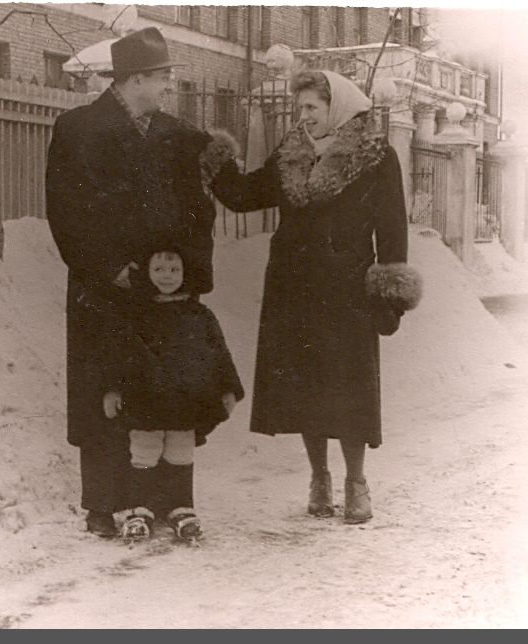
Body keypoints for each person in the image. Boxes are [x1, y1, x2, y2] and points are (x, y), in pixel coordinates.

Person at [45, 27, 237, 538]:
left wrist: (183, 273)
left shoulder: (177, 134)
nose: (167, 87)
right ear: (133, 80)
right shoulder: (77, 128)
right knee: (102, 391)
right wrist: (107, 268)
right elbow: (64, 212)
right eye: (161, 78)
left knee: (157, 392)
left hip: (156, 293)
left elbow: (206, 200)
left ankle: (159, 502)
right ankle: (104, 506)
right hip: (100, 286)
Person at [211, 70, 422, 524]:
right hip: (294, 289)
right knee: (307, 387)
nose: (303, 117)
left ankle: (356, 482)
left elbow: (391, 228)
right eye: (300, 108)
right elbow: (245, 195)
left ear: (338, 107)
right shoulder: (291, 155)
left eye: (312, 108)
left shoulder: (376, 157)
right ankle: (319, 479)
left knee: (349, 390)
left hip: (347, 292)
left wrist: (389, 291)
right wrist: (214, 160)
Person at [101, 246, 244, 542]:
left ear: (186, 273)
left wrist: (228, 389)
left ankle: (181, 507)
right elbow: (118, 353)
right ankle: (139, 510)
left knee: (180, 450)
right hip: (145, 398)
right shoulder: (136, 312)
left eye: (174, 269)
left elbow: (218, 353)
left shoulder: (199, 314)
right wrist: (112, 389)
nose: (166, 276)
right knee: (144, 450)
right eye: (159, 270)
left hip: (184, 399)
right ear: (147, 273)